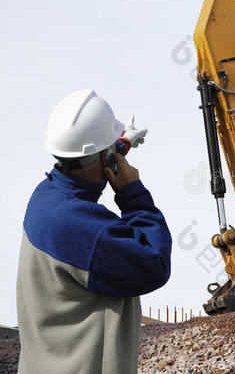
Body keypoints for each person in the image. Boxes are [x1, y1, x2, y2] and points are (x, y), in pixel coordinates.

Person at [17, 90, 172, 374]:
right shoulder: (86, 230)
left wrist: (120, 145)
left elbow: (86, 166)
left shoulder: (47, 197)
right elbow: (155, 262)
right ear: (103, 158)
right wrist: (132, 194)